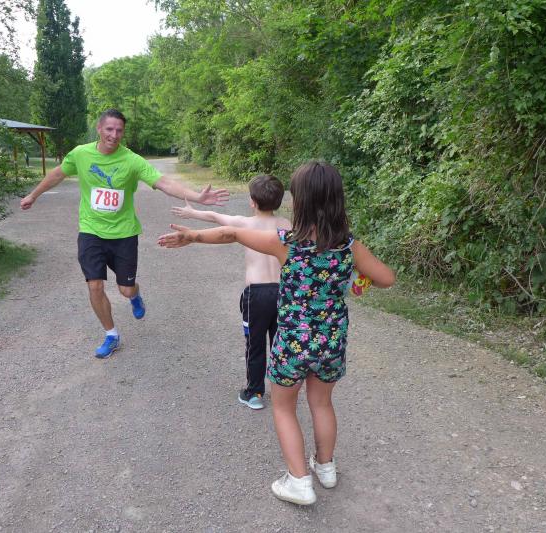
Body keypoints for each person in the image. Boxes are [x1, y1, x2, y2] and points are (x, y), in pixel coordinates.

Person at [158, 161, 395, 505]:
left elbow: (232, 233)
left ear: (299, 202)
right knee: (322, 403)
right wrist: (358, 280)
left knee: (284, 408)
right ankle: (325, 467)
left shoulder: (287, 243)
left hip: (293, 342)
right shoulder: (349, 247)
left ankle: (299, 481)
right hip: (331, 342)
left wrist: (192, 236)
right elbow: (387, 278)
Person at [20, 108, 229, 358]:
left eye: (119, 130)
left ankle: (135, 295)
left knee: (125, 290)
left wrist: (197, 197)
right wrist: (33, 195)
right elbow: (57, 174)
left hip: (124, 234)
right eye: (109, 129)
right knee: (95, 285)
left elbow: (164, 183)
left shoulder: (132, 160)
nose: (114, 135)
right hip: (91, 230)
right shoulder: (81, 154)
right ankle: (111, 334)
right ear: (99, 128)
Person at [171, 175, 291, 410]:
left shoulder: (244, 223)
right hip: (284, 293)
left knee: (255, 345)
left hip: (256, 295)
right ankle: (283, 391)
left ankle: (254, 393)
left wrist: (192, 213)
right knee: (281, 343)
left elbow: (216, 217)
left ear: (252, 202)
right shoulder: (286, 224)